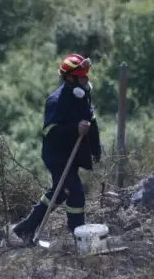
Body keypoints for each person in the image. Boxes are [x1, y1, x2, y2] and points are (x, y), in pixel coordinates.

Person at [12, 53, 102, 243]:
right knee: (75, 191)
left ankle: (25, 228)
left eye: (87, 75)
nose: (86, 79)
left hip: (72, 154)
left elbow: (91, 122)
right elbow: (50, 131)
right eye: (82, 76)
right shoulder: (56, 101)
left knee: (60, 192)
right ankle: (79, 236)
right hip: (57, 156)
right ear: (70, 78)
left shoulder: (83, 96)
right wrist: (74, 128)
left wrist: (96, 150)